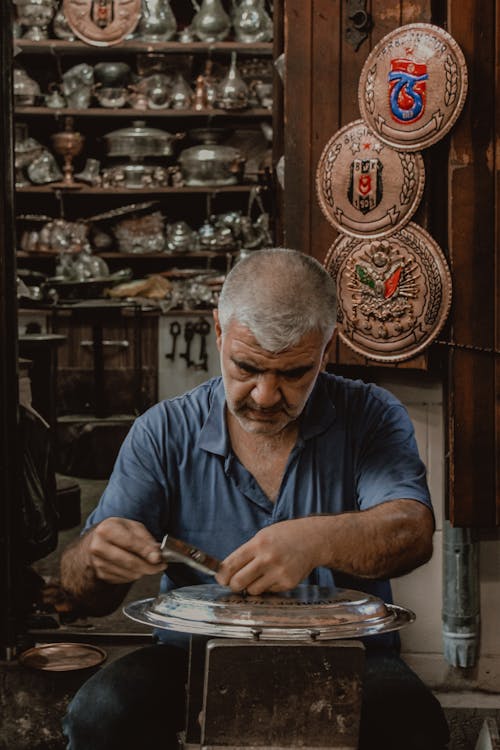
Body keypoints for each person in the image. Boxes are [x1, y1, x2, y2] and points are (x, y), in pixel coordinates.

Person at [60, 248, 449, 750]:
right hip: (193, 657)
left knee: (414, 728)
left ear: (325, 349)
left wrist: (314, 540)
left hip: (347, 655)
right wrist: (94, 559)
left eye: (293, 374)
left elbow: (412, 532)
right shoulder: (162, 432)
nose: (266, 396)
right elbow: (82, 592)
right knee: (99, 717)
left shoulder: (369, 416)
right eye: (246, 367)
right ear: (219, 332)